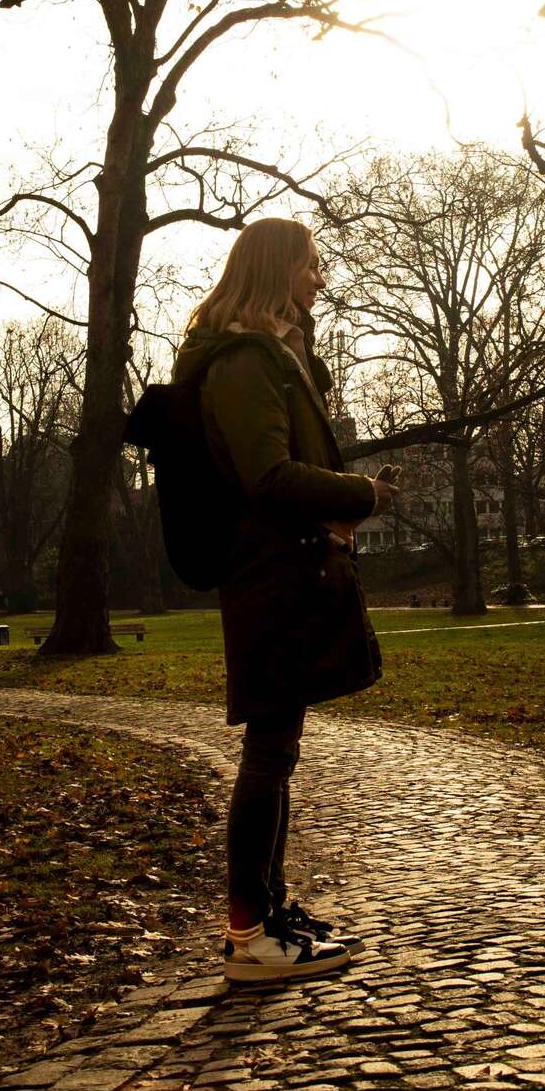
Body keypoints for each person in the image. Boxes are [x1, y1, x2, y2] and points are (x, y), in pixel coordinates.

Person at [172, 217, 400, 983]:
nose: (321, 278)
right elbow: (266, 474)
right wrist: (361, 493)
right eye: (311, 265)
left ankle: (269, 912)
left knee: (278, 750)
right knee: (268, 753)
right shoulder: (243, 360)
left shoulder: (270, 355)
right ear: (276, 270)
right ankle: (249, 931)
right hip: (269, 576)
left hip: (286, 570)